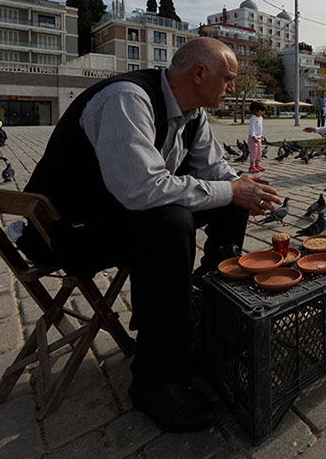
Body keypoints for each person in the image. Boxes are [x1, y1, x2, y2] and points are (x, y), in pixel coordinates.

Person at [20, 37, 282, 433]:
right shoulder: (128, 99)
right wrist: (232, 190)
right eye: (227, 79)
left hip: (121, 219)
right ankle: (154, 380)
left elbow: (213, 171)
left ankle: (209, 312)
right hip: (68, 230)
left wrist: (246, 189)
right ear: (198, 74)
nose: (232, 89)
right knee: (170, 223)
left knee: (231, 200)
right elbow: (141, 189)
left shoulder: (192, 113)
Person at [247, 101, 266, 173]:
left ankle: (257, 165)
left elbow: (259, 128)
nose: (263, 112)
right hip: (253, 139)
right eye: (262, 111)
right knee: (253, 152)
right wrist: (253, 136)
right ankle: (251, 166)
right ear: (255, 110)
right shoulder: (253, 118)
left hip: (259, 138)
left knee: (259, 152)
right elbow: (252, 128)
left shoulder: (260, 118)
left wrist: (260, 135)